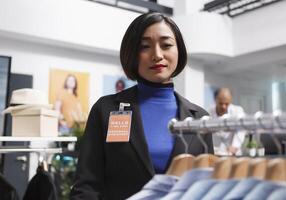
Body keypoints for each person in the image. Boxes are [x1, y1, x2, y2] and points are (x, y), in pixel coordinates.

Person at [70, 12, 213, 200]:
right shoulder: (105, 109)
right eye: (145, 46)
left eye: (166, 45)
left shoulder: (199, 118)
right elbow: (87, 186)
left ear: (179, 50)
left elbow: (208, 186)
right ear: (132, 54)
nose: (157, 55)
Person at [208, 87, 246, 156]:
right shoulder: (209, 112)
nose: (224, 106)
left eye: (227, 104)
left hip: (233, 153)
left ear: (231, 100)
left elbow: (241, 130)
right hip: (216, 152)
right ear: (215, 100)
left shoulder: (238, 111)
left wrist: (235, 146)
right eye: (221, 103)